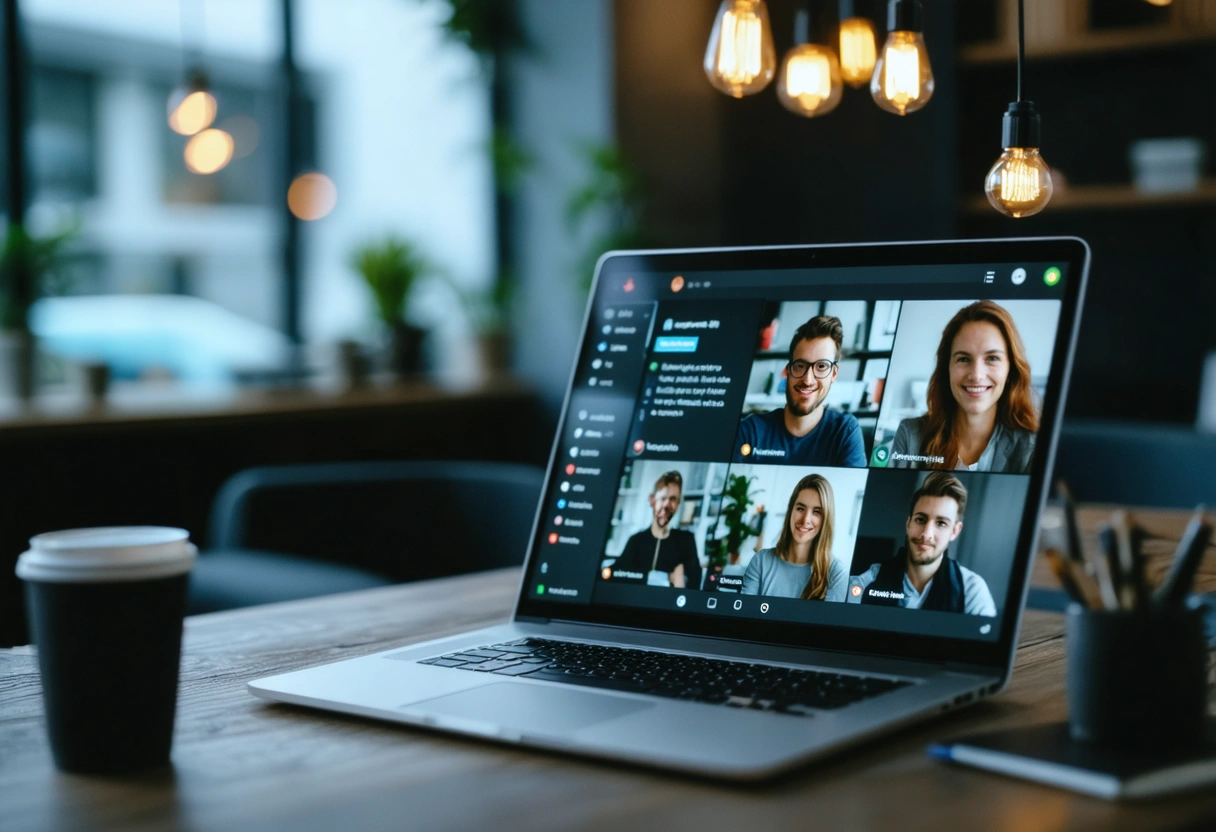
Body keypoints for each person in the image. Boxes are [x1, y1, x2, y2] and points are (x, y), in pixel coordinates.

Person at [891, 300, 1038, 473]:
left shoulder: (1032, 448)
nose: (976, 375)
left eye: (992, 358)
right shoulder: (910, 435)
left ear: (1010, 370)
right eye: (963, 359)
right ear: (947, 369)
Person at [847, 472, 996, 616]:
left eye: (941, 523)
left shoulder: (971, 591)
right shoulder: (870, 580)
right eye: (920, 520)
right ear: (908, 524)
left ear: (955, 531)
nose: (926, 534)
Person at [733, 315, 866, 467]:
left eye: (821, 366)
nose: (808, 380)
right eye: (800, 365)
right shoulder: (750, 431)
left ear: (833, 374)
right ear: (788, 370)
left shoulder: (845, 432)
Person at [742, 474, 847, 601]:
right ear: (791, 511)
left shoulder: (837, 574)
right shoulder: (761, 561)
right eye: (800, 508)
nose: (806, 520)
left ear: (826, 519)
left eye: (816, 512)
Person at [610, 470, 702, 589]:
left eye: (673, 499)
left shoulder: (686, 541)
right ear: (652, 500)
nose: (667, 505)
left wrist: (681, 579)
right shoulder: (636, 541)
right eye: (663, 498)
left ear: (678, 504)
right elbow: (617, 577)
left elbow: (695, 584)